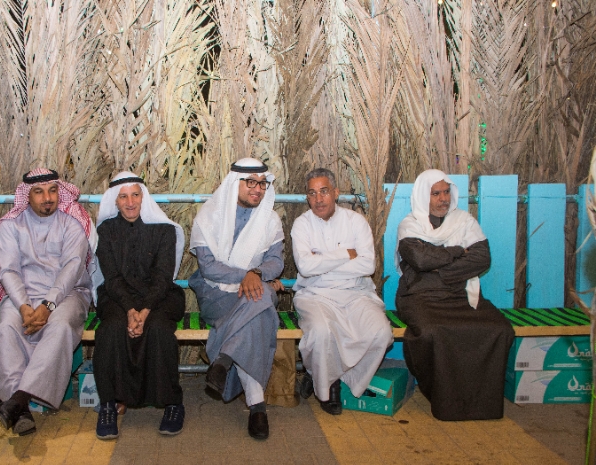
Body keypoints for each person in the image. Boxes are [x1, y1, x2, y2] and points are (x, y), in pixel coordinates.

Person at [395, 169, 514, 421]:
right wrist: (459, 251)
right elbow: (420, 259)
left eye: (446, 192)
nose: (443, 199)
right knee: (431, 332)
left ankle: (481, 403)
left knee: (499, 329)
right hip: (419, 295)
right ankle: (444, 398)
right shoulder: (410, 224)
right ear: (423, 196)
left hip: (461, 294)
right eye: (436, 194)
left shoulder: (464, 221)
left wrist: (439, 270)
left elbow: (482, 258)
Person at [0, 168, 95, 435]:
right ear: (27, 196)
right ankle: (20, 409)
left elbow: (72, 269)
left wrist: (48, 305)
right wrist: (24, 307)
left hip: (67, 295)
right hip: (20, 296)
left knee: (60, 327)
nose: (48, 197)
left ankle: (18, 400)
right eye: (39, 192)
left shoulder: (72, 224)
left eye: (52, 190)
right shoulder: (11, 226)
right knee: (4, 330)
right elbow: (8, 271)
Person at [189, 157, 284, 440]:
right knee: (261, 308)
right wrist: (249, 276)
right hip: (215, 293)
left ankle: (225, 359)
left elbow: (276, 262)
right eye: (251, 182)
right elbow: (208, 268)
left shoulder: (270, 219)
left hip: (253, 293)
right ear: (234, 184)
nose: (258, 189)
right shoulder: (209, 216)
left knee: (257, 304)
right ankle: (257, 407)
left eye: (263, 183)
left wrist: (256, 273)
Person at [92, 172, 186, 440]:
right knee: (110, 329)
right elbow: (112, 278)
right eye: (123, 197)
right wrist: (130, 310)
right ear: (115, 201)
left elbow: (163, 277)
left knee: (158, 328)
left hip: (160, 296)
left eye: (135, 195)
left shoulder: (164, 229)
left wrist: (144, 311)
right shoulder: (105, 231)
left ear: (143, 197)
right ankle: (108, 404)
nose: (130, 202)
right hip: (117, 297)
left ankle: (173, 403)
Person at [292, 168, 393, 415]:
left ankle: (325, 375)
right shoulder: (302, 224)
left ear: (336, 193)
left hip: (356, 292)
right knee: (321, 332)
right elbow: (305, 267)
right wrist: (345, 254)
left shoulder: (355, 221)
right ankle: (328, 388)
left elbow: (367, 266)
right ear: (307, 197)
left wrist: (322, 262)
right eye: (312, 193)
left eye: (324, 191)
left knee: (381, 333)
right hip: (315, 294)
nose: (318, 199)